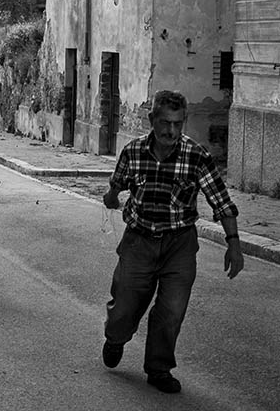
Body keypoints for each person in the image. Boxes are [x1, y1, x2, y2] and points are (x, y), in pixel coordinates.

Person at [101, 89, 243, 394]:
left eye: (178, 124)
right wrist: (112, 197)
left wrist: (233, 242)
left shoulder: (196, 155)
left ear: (185, 122)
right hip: (139, 241)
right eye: (165, 123)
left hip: (179, 244)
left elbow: (221, 202)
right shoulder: (133, 152)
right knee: (125, 304)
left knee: (172, 309)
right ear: (152, 120)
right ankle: (115, 338)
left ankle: (159, 367)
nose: (171, 131)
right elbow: (117, 186)